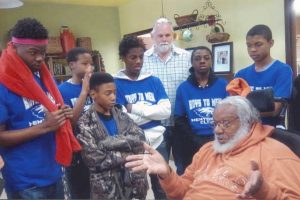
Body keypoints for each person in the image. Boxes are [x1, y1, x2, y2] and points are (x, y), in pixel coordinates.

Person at [126, 96, 300, 199]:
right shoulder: (209, 149)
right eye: (215, 123)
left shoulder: (274, 153)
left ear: (247, 122)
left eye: (225, 123)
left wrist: (264, 190)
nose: (217, 130)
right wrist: (167, 173)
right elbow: (181, 192)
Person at [0, 18, 81, 199]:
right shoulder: (2, 83)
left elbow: (50, 109)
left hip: (53, 169)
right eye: (33, 52)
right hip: (26, 181)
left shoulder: (43, 76)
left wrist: (62, 112)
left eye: (43, 52)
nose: (40, 58)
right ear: (15, 47)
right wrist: (45, 126)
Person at [114, 35, 171, 200]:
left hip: (158, 142)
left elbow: (166, 111)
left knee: (162, 187)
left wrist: (133, 108)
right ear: (123, 57)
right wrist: (152, 112)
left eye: (141, 57)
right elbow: (122, 118)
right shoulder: (115, 82)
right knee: (135, 190)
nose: (138, 61)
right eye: (133, 57)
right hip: (130, 144)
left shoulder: (153, 81)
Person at [76, 72, 148, 200]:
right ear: (93, 94)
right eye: (108, 93)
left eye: (114, 92)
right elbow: (94, 160)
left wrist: (106, 144)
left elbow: (141, 141)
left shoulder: (122, 116)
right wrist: (128, 153)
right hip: (106, 190)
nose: (113, 97)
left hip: (133, 188)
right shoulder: (85, 122)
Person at [142, 17, 191, 177]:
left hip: (181, 123)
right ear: (152, 37)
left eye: (167, 35)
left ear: (173, 36)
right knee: (159, 172)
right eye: (160, 36)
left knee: (184, 167)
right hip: (154, 126)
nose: (164, 39)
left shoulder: (187, 57)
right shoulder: (142, 60)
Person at [174, 46, 228, 170]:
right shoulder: (183, 88)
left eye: (206, 58)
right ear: (192, 63)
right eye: (197, 58)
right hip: (193, 140)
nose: (202, 61)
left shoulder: (223, 85)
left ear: (211, 61)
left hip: (219, 138)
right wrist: (194, 138)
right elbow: (179, 118)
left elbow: (230, 114)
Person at [235, 24, 293, 127]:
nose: (252, 49)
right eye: (249, 45)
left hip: (271, 132)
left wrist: (242, 113)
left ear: (271, 43)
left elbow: (275, 109)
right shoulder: (241, 74)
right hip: (244, 131)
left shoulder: (283, 70)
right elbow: (234, 106)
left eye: (258, 44)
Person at [58, 47, 93, 199]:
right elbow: (70, 122)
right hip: (77, 151)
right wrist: (84, 92)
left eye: (91, 64)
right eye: (85, 63)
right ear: (72, 65)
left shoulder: (96, 85)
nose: (89, 68)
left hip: (98, 147)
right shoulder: (62, 90)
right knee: (79, 192)